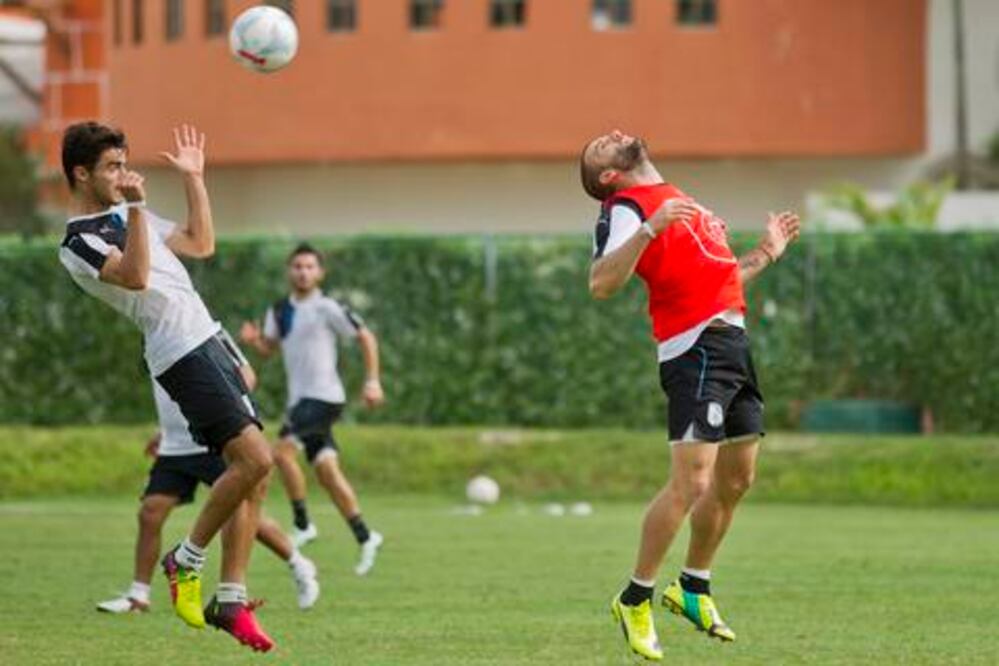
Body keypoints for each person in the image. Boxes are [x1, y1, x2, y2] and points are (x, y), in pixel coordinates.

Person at [580, 129, 801, 660]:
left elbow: (720, 279)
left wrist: (767, 253)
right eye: (598, 146)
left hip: (733, 343)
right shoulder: (627, 207)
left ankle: (693, 587)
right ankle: (635, 598)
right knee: (692, 482)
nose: (611, 134)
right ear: (608, 175)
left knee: (737, 479)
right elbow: (601, 283)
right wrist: (649, 229)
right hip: (695, 350)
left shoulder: (683, 200)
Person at [59, 122, 274, 651]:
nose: (123, 173)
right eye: (111, 166)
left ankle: (229, 598)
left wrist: (194, 179)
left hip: (210, 338)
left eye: (122, 162)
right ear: (81, 173)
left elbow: (201, 243)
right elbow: (134, 277)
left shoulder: (132, 213)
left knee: (255, 478)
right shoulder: (77, 241)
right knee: (256, 460)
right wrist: (134, 209)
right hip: (180, 353)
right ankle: (186, 559)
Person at [97, 331, 319, 615]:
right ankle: (138, 597)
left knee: (246, 517)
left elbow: (246, 376)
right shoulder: (151, 334)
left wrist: (220, 414)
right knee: (150, 512)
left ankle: (299, 564)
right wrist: (161, 430)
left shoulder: (208, 331)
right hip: (174, 445)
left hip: (213, 440)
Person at [240, 243, 386, 576]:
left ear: (320, 273)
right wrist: (255, 342)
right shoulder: (279, 310)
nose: (303, 272)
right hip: (300, 401)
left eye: (309, 267)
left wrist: (373, 381)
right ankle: (366, 536)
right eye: (297, 266)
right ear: (289, 271)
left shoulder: (328, 307)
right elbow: (270, 347)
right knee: (326, 471)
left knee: (280, 454)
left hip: (323, 397)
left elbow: (367, 337)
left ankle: (303, 523)